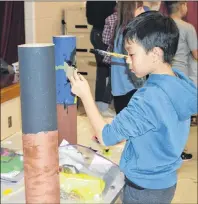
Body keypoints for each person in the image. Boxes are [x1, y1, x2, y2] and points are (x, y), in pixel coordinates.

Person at [69, 11, 197, 203]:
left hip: (142, 188)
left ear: (155, 53)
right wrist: (118, 121)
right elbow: (157, 121)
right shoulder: (179, 80)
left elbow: (106, 137)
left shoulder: (147, 98)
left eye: (131, 53)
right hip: (165, 183)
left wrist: (85, 95)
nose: (127, 60)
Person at [165, 1, 198, 160]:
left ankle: (167, 149)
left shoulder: (162, 24)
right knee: (181, 116)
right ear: (182, 6)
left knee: (167, 113)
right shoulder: (187, 28)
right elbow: (195, 54)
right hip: (180, 76)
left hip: (163, 73)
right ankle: (178, 151)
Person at [86, 1, 116, 117]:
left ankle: (101, 104)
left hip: (95, 32)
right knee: (106, 71)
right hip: (102, 33)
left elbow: (90, 19)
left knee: (102, 70)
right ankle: (103, 106)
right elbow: (112, 14)